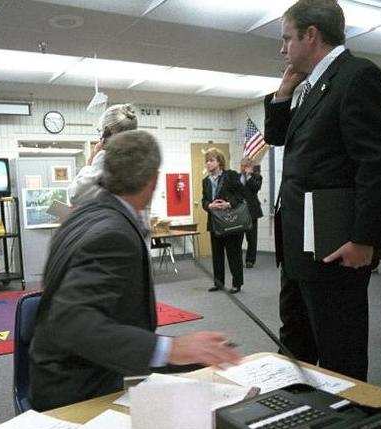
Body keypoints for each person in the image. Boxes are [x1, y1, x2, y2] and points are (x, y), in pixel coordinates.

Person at [29, 130, 240, 411]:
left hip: (65, 372)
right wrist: (172, 349)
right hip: (80, 392)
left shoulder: (82, 214)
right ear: (152, 181)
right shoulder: (114, 234)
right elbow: (72, 322)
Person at [264, 0, 381, 381]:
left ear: (311, 35)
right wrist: (283, 94)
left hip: (334, 244)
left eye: (287, 38)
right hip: (298, 244)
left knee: (339, 350)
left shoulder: (357, 76)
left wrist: (364, 239)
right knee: (295, 339)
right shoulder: (310, 85)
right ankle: (297, 418)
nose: (282, 48)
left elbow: (376, 164)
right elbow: (277, 138)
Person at [67, 103, 137, 206]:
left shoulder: (105, 160)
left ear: (106, 132)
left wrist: (91, 161)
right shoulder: (139, 161)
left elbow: (74, 196)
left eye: (99, 131)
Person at [202, 148, 245, 293]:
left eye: (211, 160)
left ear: (219, 162)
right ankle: (218, 283)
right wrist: (209, 205)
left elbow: (240, 195)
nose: (208, 163)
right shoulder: (205, 181)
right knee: (217, 254)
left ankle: (237, 283)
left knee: (234, 254)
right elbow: (204, 200)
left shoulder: (230, 175)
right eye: (206, 161)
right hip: (215, 222)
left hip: (231, 220)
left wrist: (228, 204)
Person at [238, 157, 263, 268]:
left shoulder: (257, 177)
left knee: (252, 238)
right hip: (239, 212)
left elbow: (255, 188)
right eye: (242, 165)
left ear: (250, 167)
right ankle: (237, 259)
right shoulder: (237, 177)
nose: (243, 168)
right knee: (238, 237)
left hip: (252, 212)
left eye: (245, 166)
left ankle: (250, 260)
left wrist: (248, 176)